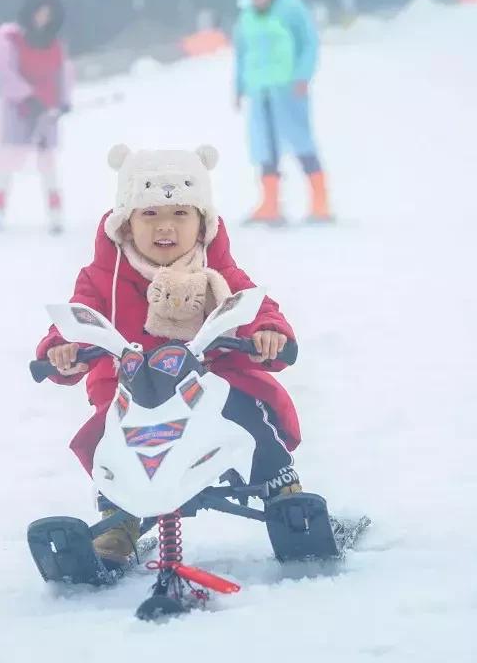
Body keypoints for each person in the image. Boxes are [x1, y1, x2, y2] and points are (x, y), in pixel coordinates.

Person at [35, 143, 305, 567]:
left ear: (201, 223)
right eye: (150, 214)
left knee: (252, 412)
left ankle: (281, 488)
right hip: (133, 390)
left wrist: (267, 333)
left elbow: (252, 307)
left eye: (180, 213)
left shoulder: (218, 272)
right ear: (126, 224)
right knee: (108, 439)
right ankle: (119, 516)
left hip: (210, 385)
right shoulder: (103, 277)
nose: (166, 226)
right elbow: (78, 318)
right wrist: (63, 348)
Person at [234, 0, 332, 224]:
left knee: (301, 142)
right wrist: (238, 88)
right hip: (259, 90)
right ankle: (270, 205)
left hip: (288, 88)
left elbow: (309, 43)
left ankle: (320, 203)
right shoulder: (246, 16)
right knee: (265, 148)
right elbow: (242, 54)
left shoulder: (291, 9)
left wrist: (303, 75)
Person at [0, 0, 73, 234]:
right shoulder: (11, 38)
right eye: (39, 13)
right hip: (18, 110)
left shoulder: (55, 44)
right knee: (7, 162)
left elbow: (63, 73)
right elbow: (6, 72)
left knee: (48, 165)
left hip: (46, 109)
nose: (43, 19)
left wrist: (64, 100)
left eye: (48, 15)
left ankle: (56, 215)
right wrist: (26, 95)